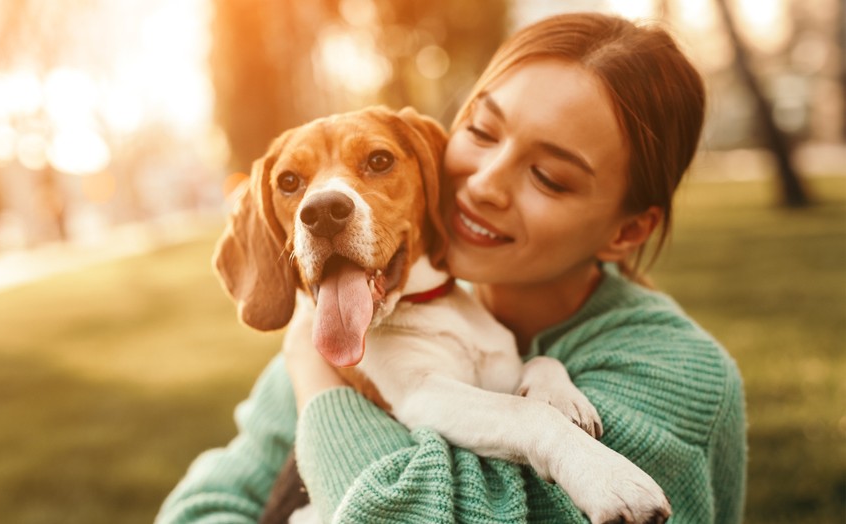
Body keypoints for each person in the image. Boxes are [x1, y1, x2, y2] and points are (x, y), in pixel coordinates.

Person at [157, 12, 746, 524]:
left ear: (627, 231)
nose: (485, 185)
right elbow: (205, 502)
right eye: (483, 132)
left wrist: (315, 379)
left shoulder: (673, 375)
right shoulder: (352, 314)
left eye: (550, 176)